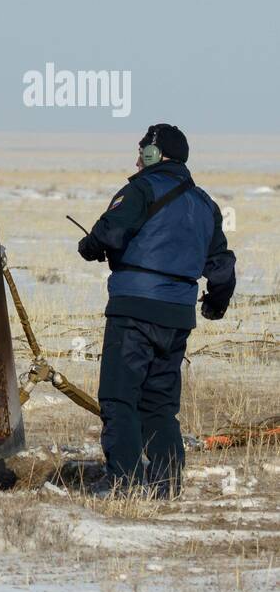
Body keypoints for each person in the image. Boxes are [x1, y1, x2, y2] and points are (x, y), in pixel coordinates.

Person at [78, 124, 236, 497]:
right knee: (160, 406)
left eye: (141, 151)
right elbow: (223, 268)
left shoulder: (140, 189)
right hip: (178, 317)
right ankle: (167, 485)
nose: (136, 159)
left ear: (155, 154)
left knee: (120, 399)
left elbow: (108, 233)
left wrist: (90, 246)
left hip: (134, 310)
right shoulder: (206, 204)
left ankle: (124, 484)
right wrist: (215, 304)